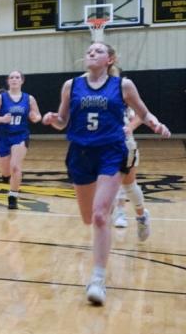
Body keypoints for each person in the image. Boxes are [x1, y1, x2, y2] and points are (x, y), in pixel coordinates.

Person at [42, 42, 170, 305]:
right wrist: (52, 118)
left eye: (99, 51)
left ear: (110, 59)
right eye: (89, 50)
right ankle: (119, 211)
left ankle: (98, 279)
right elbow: (63, 121)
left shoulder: (123, 85)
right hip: (80, 153)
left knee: (101, 216)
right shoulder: (71, 85)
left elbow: (144, 113)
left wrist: (156, 124)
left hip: (111, 152)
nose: (91, 53)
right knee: (89, 218)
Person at [0, 70, 41, 209]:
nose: (14, 79)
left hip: (20, 135)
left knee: (16, 167)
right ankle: (7, 180)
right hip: (3, 136)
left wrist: (35, 117)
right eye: (11, 77)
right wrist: (1, 119)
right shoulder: (1, 98)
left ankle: (13, 196)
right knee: (6, 172)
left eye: (17, 77)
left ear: (22, 80)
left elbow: (37, 115)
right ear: (8, 81)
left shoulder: (29, 99)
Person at [112, 108, 151, 240]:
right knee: (108, 182)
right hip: (101, 144)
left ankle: (141, 217)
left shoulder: (125, 89)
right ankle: (118, 211)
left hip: (124, 144)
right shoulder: (89, 93)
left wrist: (130, 127)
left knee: (128, 185)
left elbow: (142, 114)